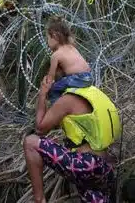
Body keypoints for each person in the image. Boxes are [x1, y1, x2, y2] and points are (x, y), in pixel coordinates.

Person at [22, 57, 121, 202]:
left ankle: (39, 199)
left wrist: (42, 93)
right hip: (105, 167)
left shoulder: (67, 99)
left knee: (30, 142)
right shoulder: (90, 91)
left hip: (86, 164)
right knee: (90, 191)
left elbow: (40, 129)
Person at [43, 16, 93, 103]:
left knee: (53, 89)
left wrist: (46, 87)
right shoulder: (72, 47)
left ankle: (56, 105)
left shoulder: (56, 55)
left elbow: (50, 77)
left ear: (54, 37)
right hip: (89, 77)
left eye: (48, 38)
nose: (47, 42)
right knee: (63, 83)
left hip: (77, 79)